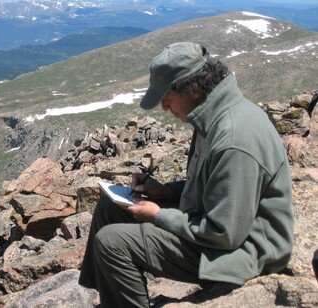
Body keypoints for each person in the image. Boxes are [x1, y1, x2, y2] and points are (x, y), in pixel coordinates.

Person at [78, 42, 294, 307]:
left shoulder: (234, 138)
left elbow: (225, 233)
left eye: (167, 97)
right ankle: (111, 298)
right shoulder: (209, 116)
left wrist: (158, 215)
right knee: (108, 207)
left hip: (244, 251)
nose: (164, 107)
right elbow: (217, 187)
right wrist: (167, 192)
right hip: (217, 229)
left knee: (112, 242)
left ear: (193, 88)